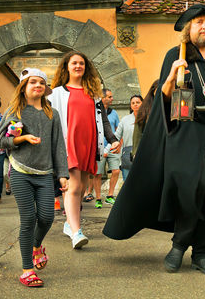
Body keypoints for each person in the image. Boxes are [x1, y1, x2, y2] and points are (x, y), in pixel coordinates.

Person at [103, 4, 205, 276]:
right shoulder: (175, 55)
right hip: (187, 130)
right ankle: (179, 244)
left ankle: (203, 253)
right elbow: (163, 98)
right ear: (188, 29)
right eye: (199, 23)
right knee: (193, 185)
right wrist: (171, 78)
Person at [0, 68, 69, 288]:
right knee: (28, 219)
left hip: (45, 174)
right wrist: (21, 138)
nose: (37, 85)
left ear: (46, 89)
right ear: (24, 87)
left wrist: (62, 174)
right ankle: (27, 270)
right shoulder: (15, 111)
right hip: (20, 172)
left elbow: (58, 146)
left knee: (47, 217)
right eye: (32, 82)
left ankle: (37, 245)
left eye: (41, 83)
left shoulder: (52, 114)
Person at [49, 51, 120, 249]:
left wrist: (112, 139)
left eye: (81, 63)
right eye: (74, 63)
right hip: (67, 143)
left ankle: (68, 224)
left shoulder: (94, 94)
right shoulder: (56, 93)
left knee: (81, 188)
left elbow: (103, 120)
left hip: (89, 144)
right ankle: (76, 232)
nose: (78, 66)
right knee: (73, 187)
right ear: (67, 67)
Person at [89, 89, 121, 208]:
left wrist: (117, 144)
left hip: (112, 146)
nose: (112, 99)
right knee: (97, 174)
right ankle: (98, 198)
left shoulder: (114, 113)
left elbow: (118, 129)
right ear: (102, 98)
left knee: (116, 171)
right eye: (109, 97)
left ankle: (110, 196)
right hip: (98, 147)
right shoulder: (94, 110)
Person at [115, 94, 143, 182]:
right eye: (133, 103)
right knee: (127, 181)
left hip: (143, 152)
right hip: (128, 153)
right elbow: (116, 136)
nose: (135, 104)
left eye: (138, 102)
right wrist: (106, 149)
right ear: (130, 105)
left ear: (143, 103)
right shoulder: (125, 120)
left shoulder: (148, 119)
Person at [131, 80, 159, 160]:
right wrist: (136, 153)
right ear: (153, 91)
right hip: (149, 150)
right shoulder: (145, 108)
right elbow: (138, 133)